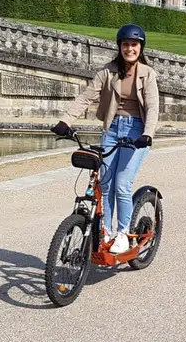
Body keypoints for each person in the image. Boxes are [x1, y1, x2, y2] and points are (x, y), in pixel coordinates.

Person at [51, 24, 159, 254]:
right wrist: (65, 121)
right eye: (126, 44)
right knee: (105, 185)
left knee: (122, 184)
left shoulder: (148, 74)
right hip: (111, 129)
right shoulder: (107, 72)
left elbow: (152, 107)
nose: (130, 48)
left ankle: (123, 234)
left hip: (137, 131)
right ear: (120, 47)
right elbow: (85, 97)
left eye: (134, 45)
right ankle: (105, 232)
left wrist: (147, 134)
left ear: (141, 48)